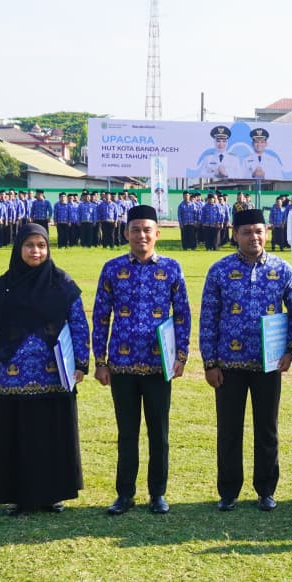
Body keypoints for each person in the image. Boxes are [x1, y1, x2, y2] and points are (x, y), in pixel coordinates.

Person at [200, 209, 292, 511]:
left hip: (268, 365)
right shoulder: (219, 271)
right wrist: (210, 363)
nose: (253, 237)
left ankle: (266, 489)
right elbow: (208, 318)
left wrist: (291, 351)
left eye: (258, 231)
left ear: (267, 232)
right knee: (229, 429)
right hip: (228, 366)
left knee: (267, 429)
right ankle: (229, 491)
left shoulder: (281, 270)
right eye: (246, 232)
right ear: (235, 235)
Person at [0, 224, 89, 515]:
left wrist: (80, 363)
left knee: (52, 433)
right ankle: (19, 496)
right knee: (17, 434)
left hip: (54, 374)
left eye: (41, 245)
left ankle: (53, 494)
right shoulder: (3, 286)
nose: (35, 251)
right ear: (19, 249)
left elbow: (78, 324)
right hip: (12, 375)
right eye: (29, 245)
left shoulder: (63, 284)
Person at [91, 205, 192, 516]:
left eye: (147, 229)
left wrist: (181, 356)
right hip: (121, 367)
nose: (141, 235)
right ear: (126, 234)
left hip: (157, 365)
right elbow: (100, 316)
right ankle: (124, 494)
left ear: (157, 234)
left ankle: (157, 494)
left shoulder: (172, 269)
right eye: (135, 229)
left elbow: (183, 315)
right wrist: (100, 360)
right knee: (127, 433)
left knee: (159, 433)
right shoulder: (112, 269)